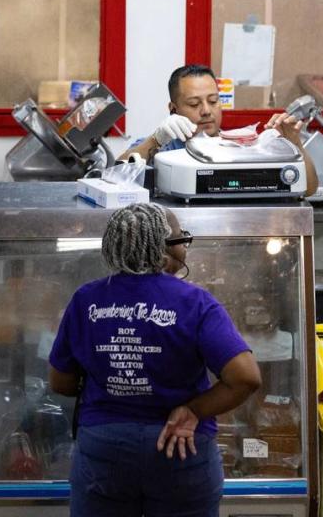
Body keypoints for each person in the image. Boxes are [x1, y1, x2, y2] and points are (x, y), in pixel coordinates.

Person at [48, 203, 262, 517]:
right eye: (180, 240)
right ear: (162, 249)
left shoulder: (86, 299)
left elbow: (60, 382)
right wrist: (192, 411)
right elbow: (246, 378)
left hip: (105, 448)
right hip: (180, 446)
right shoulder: (196, 302)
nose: (184, 248)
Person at [119, 64, 318, 196]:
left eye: (213, 101)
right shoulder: (165, 147)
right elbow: (117, 174)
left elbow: (308, 189)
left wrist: (295, 143)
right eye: (194, 103)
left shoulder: (240, 145)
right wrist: (156, 140)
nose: (206, 111)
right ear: (174, 109)